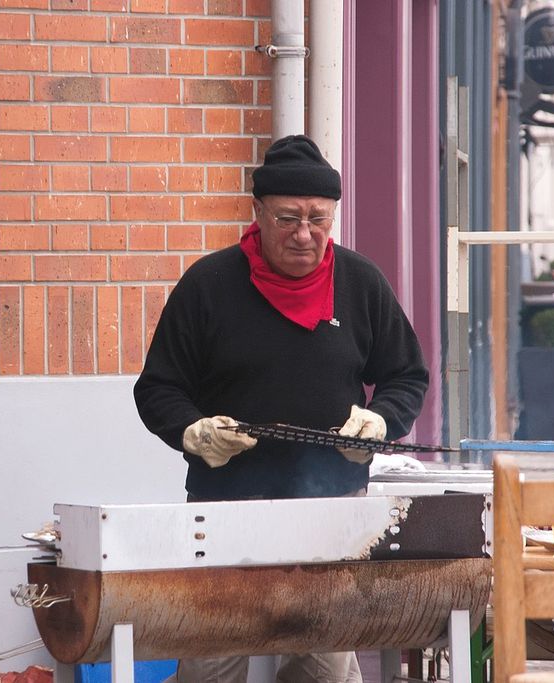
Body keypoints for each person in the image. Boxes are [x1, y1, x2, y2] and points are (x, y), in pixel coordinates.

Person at [133, 134, 429, 683]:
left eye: (318, 219)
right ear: (258, 213)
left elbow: (406, 375)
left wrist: (381, 420)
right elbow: (157, 389)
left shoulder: (361, 282)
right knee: (210, 667)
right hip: (223, 510)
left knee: (324, 669)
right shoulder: (208, 285)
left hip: (331, 510)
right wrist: (193, 431)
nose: (304, 234)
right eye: (288, 217)